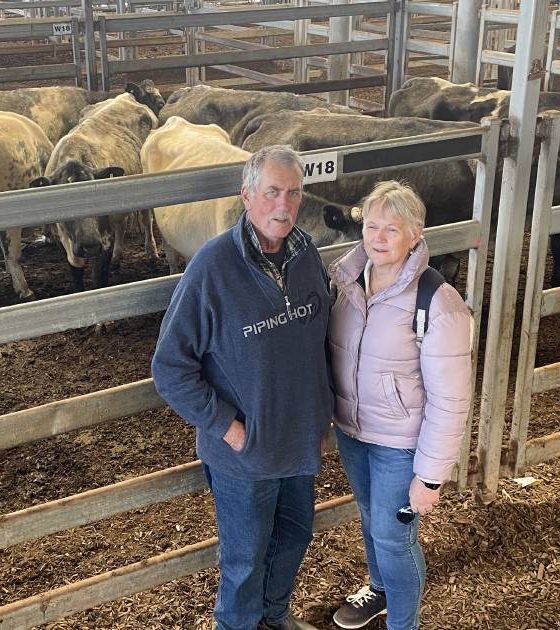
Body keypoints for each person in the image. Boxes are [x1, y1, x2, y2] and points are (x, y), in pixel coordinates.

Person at [151, 145, 333, 630]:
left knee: (294, 538)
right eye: (272, 191)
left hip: (298, 441)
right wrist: (227, 427)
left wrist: (320, 416)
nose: (284, 205)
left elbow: (317, 343)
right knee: (245, 560)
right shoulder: (213, 268)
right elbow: (170, 368)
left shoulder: (307, 254)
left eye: (293, 193)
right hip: (244, 452)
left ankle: (275, 618)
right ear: (247, 195)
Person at [326, 181, 473, 629]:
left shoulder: (437, 302)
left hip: (400, 443)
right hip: (353, 431)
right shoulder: (346, 282)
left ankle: (402, 623)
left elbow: (451, 400)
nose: (379, 237)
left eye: (392, 228)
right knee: (372, 519)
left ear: (416, 233)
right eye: (372, 226)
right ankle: (381, 590)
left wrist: (430, 477)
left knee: (394, 536)